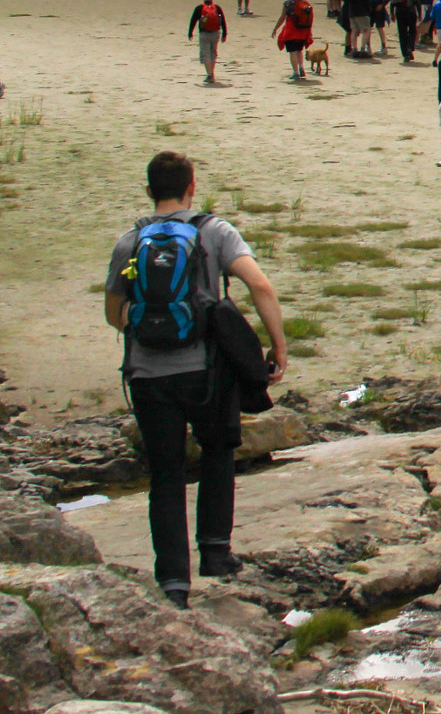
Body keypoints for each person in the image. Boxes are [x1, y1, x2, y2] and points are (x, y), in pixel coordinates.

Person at [105, 151, 287, 609]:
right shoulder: (215, 231)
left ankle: (172, 581)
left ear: (149, 191)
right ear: (192, 187)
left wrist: (152, 329)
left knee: (165, 474)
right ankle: (216, 553)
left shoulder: (130, 241)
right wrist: (277, 345)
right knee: (218, 451)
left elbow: (114, 314)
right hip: (206, 370)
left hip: (148, 375)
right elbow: (260, 286)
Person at [272, 0, 317, 80]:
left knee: (292, 51)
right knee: (299, 50)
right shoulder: (304, 2)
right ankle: (301, 67)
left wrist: (275, 28)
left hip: (291, 30)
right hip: (302, 31)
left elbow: (282, 17)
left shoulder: (288, 3)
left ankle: (295, 72)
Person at [187, 0, 226, 84]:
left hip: (204, 34)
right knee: (213, 53)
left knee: (205, 54)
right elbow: (222, 20)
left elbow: (193, 20)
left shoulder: (199, 8)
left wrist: (190, 32)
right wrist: (225, 33)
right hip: (215, 33)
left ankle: (210, 75)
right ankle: (211, 73)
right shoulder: (217, 8)